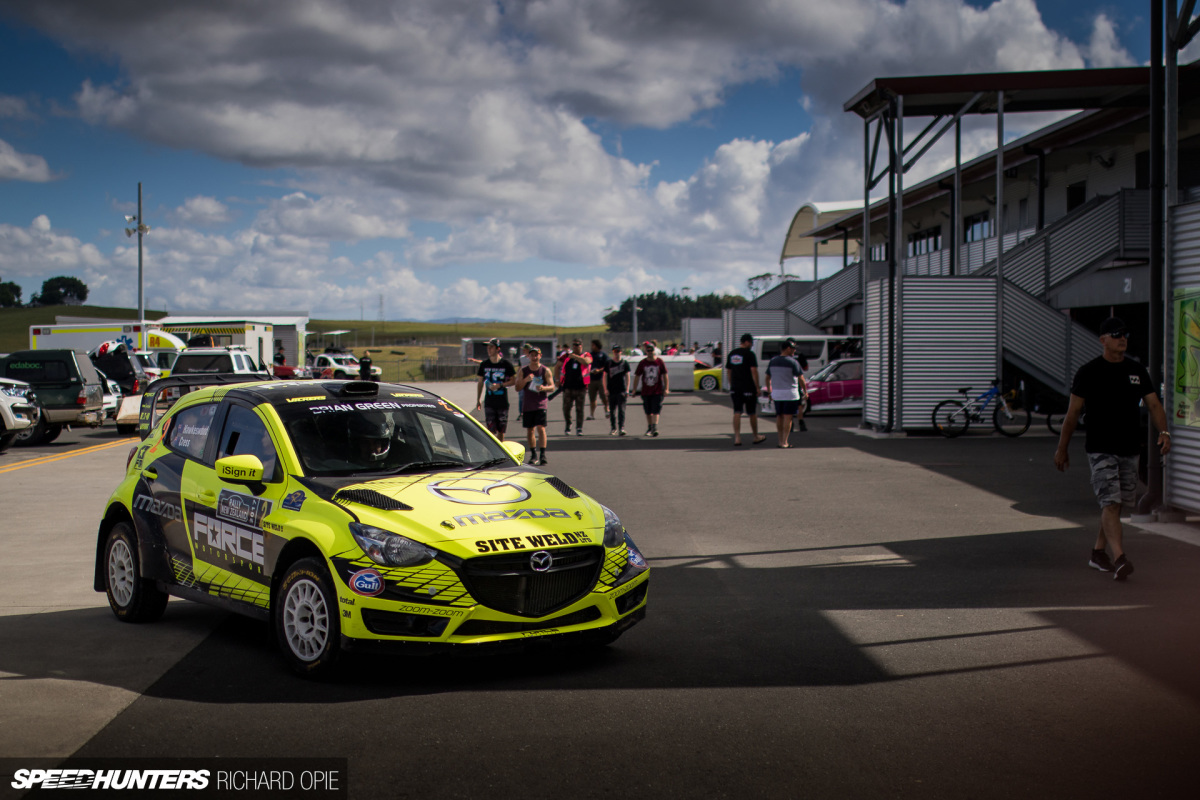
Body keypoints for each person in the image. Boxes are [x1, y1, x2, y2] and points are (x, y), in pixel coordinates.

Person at [1054, 317, 1171, 581]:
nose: (1123, 338)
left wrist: (1164, 432)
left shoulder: (1136, 370)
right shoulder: (1088, 372)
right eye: (1116, 334)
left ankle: (1098, 552)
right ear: (1103, 339)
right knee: (1110, 502)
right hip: (1100, 448)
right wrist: (1062, 448)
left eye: (1125, 334)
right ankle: (1119, 558)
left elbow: (1154, 405)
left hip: (1130, 448)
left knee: (1116, 507)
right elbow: (1072, 414)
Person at [515, 347, 555, 465]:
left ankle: (543, 454)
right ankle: (533, 454)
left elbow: (552, 387)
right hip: (528, 404)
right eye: (532, 355)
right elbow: (517, 387)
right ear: (528, 357)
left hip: (540, 403)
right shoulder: (523, 370)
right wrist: (526, 380)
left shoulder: (545, 370)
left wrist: (544, 388)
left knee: (541, 428)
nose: (534, 357)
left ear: (540, 356)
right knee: (530, 430)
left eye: (536, 355)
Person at [765, 339, 806, 448]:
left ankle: (779, 440)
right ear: (788, 349)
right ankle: (785, 441)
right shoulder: (793, 362)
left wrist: (770, 391)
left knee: (779, 416)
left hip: (777, 394)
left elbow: (767, 377)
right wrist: (805, 391)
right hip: (790, 394)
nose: (794, 351)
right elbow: (801, 378)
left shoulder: (773, 361)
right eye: (793, 348)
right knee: (788, 417)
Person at [475, 337, 517, 442]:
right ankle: (493, 452)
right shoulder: (484, 364)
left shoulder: (506, 364)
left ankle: (501, 450)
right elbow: (480, 382)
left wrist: (500, 385)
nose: (489, 349)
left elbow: (513, 381)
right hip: (489, 401)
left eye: (491, 347)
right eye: (488, 347)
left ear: (498, 349)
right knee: (490, 429)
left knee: (501, 429)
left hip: (502, 401)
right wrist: (478, 399)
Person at [728, 333, 766, 446]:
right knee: (752, 413)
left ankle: (737, 438)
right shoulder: (750, 354)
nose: (751, 345)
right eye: (751, 343)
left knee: (737, 411)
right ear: (747, 342)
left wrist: (731, 384)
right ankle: (755, 436)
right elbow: (754, 371)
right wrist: (757, 387)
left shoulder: (732, 354)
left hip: (735, 387)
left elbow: (729, 371)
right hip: (748, 386)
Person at [633, 341, 668, 437]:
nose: (650, 352)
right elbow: (637, 376)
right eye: (648, 351)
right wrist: (634, 389)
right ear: (646, 351)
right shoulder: (643, 363)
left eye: (651, 350)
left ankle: (654, 427)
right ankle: (650, 427)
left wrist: (666, 388)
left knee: (656, 409)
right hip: (646, 390)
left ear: (654, 351)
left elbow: (665, 375)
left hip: (657, 390)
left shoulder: (659, 362)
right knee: (648, 411)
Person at [558, 338, 592, 436]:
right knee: (566, 408)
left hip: (581, 387)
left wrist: (575, 357)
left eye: (577, 345)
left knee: (580, 409)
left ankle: (579, 428)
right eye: (573, 345)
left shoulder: (586, 355)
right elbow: (557, 366)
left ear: (581, 345)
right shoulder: (566, 356)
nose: (575, 346)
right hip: (568, 386)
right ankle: (568, 425)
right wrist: (557, 380)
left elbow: (586, 362)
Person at [606, 344, 632, 436]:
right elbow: (605, 376)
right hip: (611, 390)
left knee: (621, 410)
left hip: (621, 390)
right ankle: (613, 428)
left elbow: (628, 376)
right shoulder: (609, 363)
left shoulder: (624, 363)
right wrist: (605, 389)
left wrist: (628, 389)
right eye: (615, 351)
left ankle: (621, 427)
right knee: (612, 411)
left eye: (618, 351)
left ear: (621, 352)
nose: (616, 353)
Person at [587, 339, 610, 421]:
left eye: (593, 345)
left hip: (601, 379)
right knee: (592, 398)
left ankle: (607, 410)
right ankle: (591, 414)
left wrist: (599, 370)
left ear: (597, 346)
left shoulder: (603, 355)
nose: (591, 347)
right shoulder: (589, 355)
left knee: (603, 396)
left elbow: (607, 366)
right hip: (591, 379)